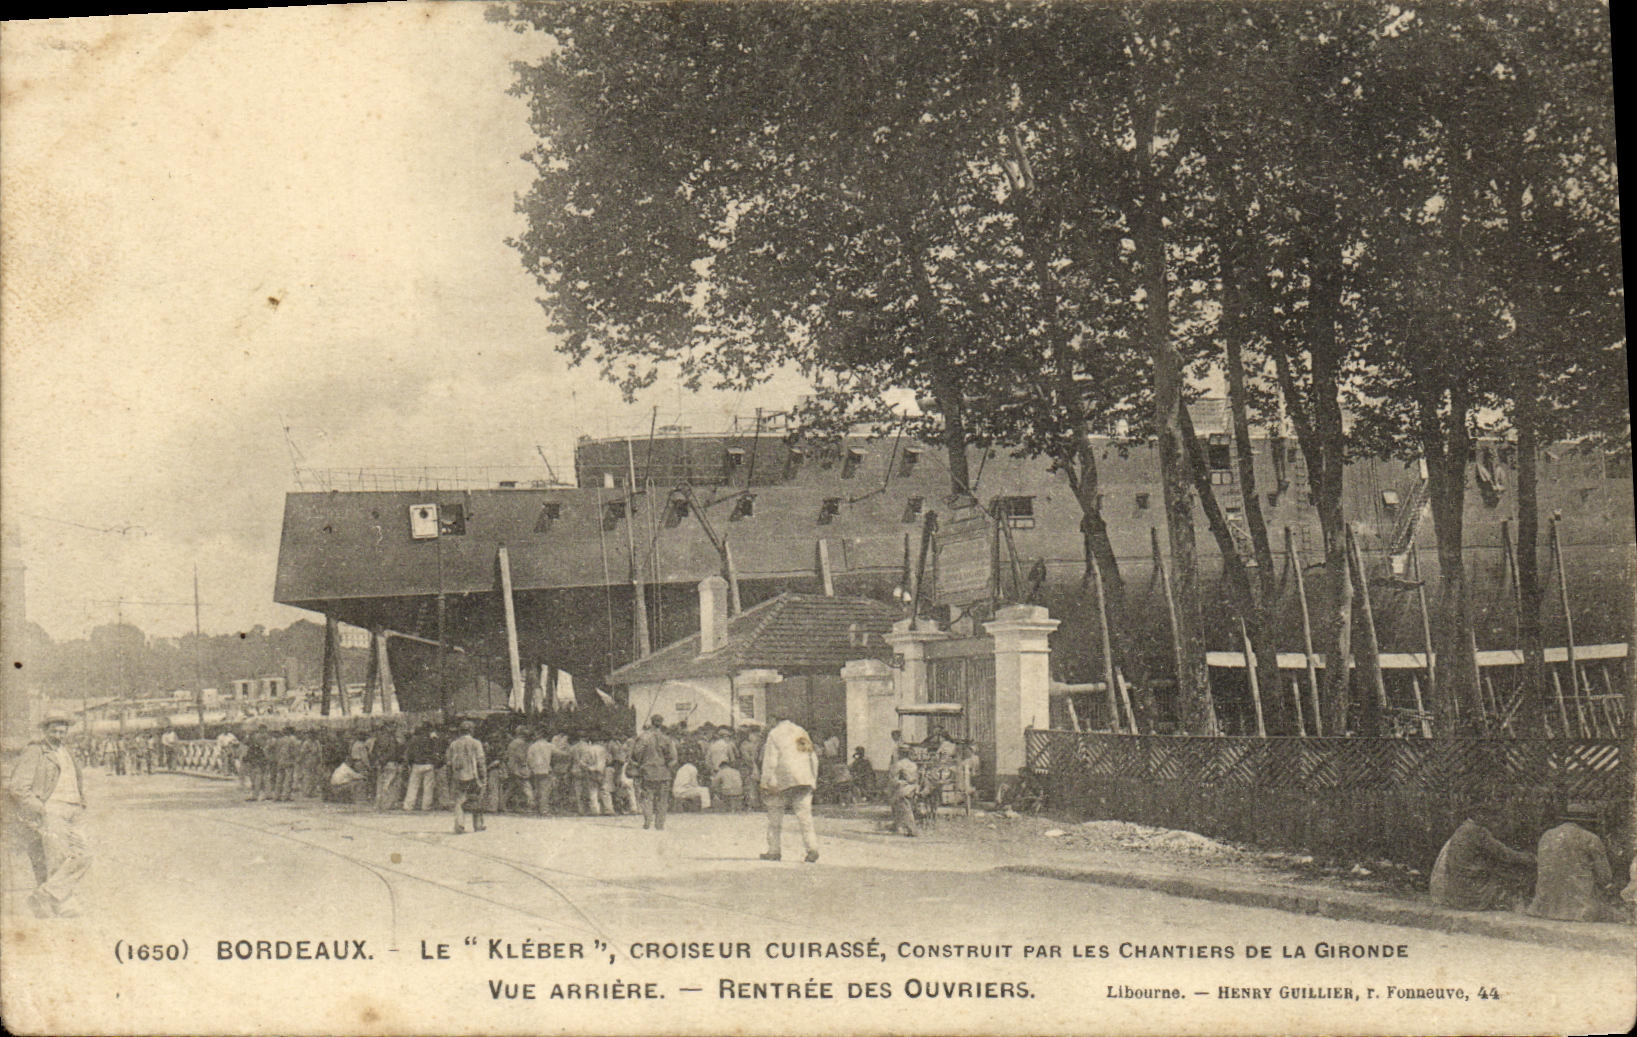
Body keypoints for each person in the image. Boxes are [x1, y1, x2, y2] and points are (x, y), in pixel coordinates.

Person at [8, 715, 92, 917]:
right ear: (45, 730)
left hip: (74, 809)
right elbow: (18, 787)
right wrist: (41, 808)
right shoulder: (36, 751)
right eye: (54, 731)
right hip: (52, 808)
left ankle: (44, 894)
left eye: (62, 731)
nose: (58, 735)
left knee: (84, 855)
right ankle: (62, 905)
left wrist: (81, 801)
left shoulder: (66, 751)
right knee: (58, 858)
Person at [1429, 802, 1534, 911]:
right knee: (1510, 875)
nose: (1489, 820)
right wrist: (1529, 858)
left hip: (1456, 888)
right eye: (1487, 816)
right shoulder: (1477, 831)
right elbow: (1503, 853)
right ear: (1479, 816)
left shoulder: (1462, 829)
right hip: (1470, 890)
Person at [1527, 804, 1619, 922]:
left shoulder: (1547, 835)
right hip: (1579, 909)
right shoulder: (1591, 838)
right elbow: (1605, 877)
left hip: (1543, 907)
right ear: (1589, 822)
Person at [759, 715, 820, 863]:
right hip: (803, 779)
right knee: (805, 818)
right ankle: (812, 849)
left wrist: (764, 782)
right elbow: (811, 756)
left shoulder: (774, 734)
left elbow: (770, 761)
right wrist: (812, 779)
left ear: (774, 720)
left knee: (775, 818)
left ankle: (774, 851)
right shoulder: (800, 732)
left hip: (781, 780)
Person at [630, 715, 677, 831]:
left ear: (651, 722)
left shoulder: (642, 738)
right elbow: (673, 758)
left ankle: (647, 820)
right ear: (661, 723)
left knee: (647, 797)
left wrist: (641, 764)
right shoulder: (666, 739)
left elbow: (635, 755)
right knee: (662, 799)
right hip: (663, 772)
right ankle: (659, 824)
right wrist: (667, 767)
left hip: (647, 772)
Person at [446, 720, 487, 834]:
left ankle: (460, 824)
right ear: (471, 730)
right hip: (474, 775)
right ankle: (478, 824)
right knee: (476, 798)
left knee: (459, 800)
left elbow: (449, 763)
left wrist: (449, 777)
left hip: (458, 775)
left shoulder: (453, 744)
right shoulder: (476, 743)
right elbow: (480, 761)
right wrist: (483, 777)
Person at [402, 723, 439, 811]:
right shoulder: (431, 739)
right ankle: (426, 806)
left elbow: (410, 753)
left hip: (417, 764)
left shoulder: (413, 740)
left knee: (413, 786)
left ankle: (408, 805)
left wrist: (410, 764)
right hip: (429, 764)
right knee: (428, 787)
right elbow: (436, 750)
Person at [888, 744, 920, 838]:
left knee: (905, 809)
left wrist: (895, 785)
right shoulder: (913, 764)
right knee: (904, 808)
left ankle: (912, 830)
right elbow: (916, 778)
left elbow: (893, 778)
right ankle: (897, 826)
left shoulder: (899, 764)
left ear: (900, 753)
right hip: (913, 788)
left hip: (903, 789)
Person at [525, 728, 555, 816]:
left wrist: (532, 767)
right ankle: (544, 810)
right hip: (546, 770)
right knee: (545, 791)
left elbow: (529, 759)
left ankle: (533, 808)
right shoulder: (549, 745)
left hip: (535, 770)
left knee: (537, 790)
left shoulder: (532, 746)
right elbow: (559, 754)